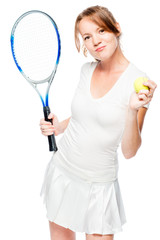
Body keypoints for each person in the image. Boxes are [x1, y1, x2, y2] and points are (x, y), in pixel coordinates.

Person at [40, 5, 157, 240]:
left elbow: (130, 151)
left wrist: (132, 110)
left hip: (99, 187)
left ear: (116, 29)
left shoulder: (139, 83)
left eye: (101, 31)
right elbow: (87, 115)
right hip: (62, 172)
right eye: (87, 36)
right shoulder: (86, 70)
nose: (95, 41)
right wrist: (59, 125)